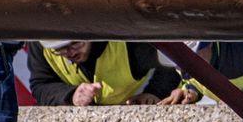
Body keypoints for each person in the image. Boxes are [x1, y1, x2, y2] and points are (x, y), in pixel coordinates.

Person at [28, 39, 181, 106]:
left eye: (75, 43)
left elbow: (171, 63)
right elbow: (41, 85)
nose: (69, 53)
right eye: (59, 49)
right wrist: (71, 96)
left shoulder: (131, 46)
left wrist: (154, 93)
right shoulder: (42, 46)